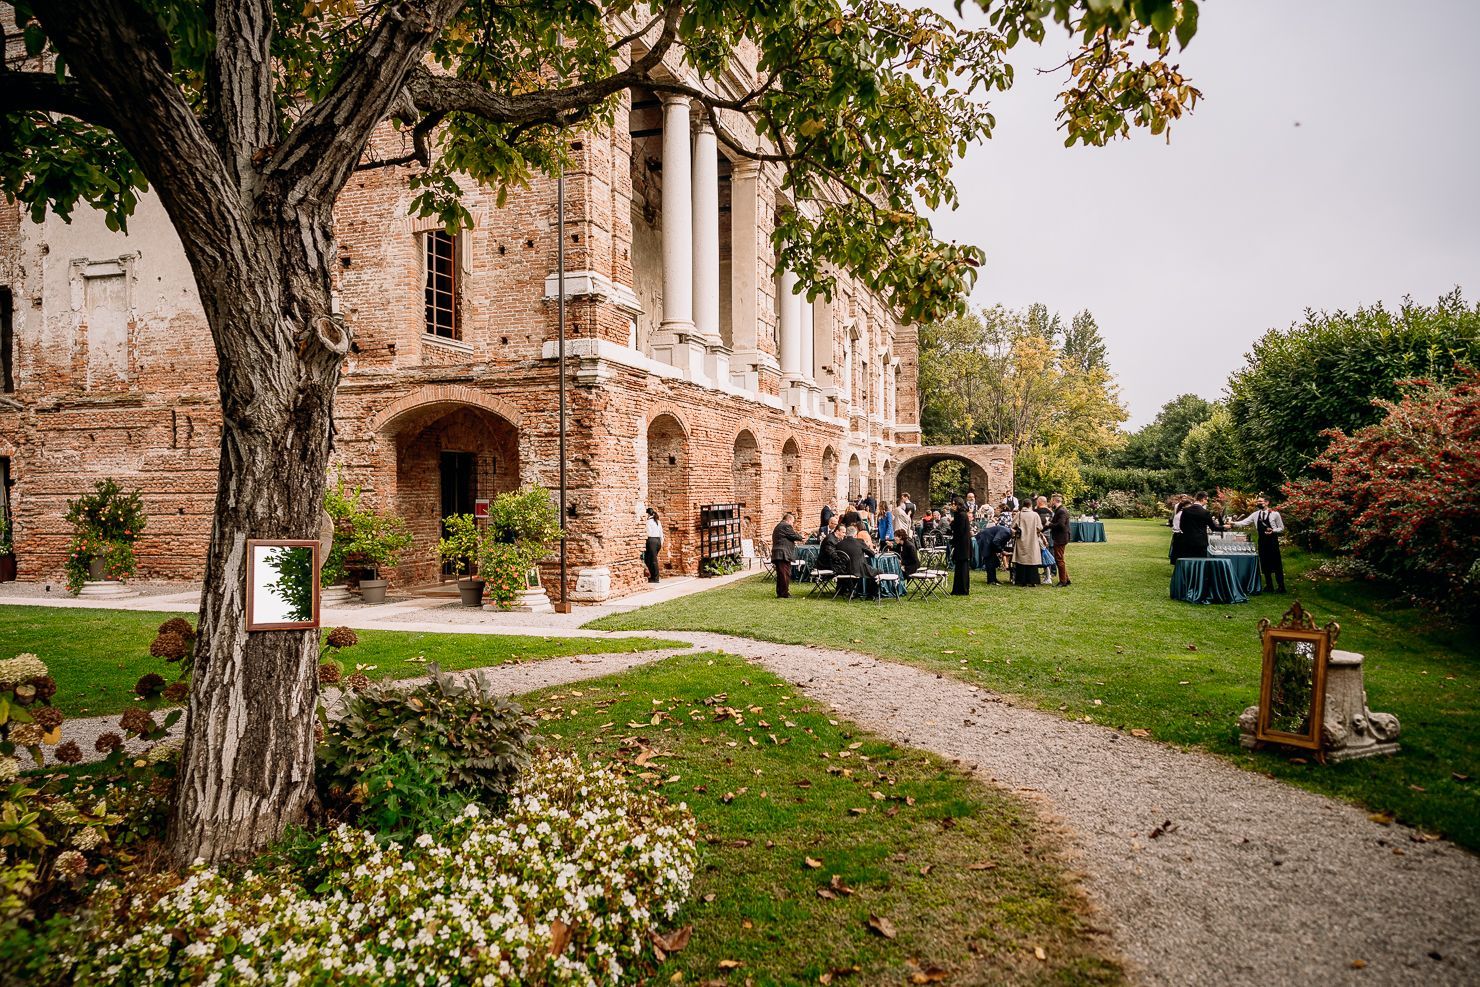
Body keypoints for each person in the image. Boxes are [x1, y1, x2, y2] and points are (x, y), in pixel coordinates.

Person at [1232, 495, 1287, 593]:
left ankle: (1281, 587)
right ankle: (1269, 586)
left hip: (1272, 542)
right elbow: (1244, 522)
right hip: (1262, 541)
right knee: (1264, 563)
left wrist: (1273, 530)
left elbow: (1281, 528)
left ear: (1267, 503)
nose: (1258, 503)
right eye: (1258, 502)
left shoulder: (1275, 514)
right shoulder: (1255, 514)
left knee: (1276, 564)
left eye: (1260, 502)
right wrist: (1233, 523)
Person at [834, 523, 878, 597]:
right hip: (857, 570)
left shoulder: (839, 544)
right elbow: (872, 554)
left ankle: (853, 591)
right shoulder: (859, 541)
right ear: (855, 534)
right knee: (877, 571)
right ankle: (873, 593)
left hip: (843, 570)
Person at [1177, 492, 1224, 559]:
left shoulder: (1186, 511)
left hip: (1187, 541)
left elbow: (1181, 526)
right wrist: (1224, 527)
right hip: (1201, 542)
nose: (1207, 502)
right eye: (1206, 500)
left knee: (1188, 562)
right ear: (1202, 499)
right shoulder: (1205, 512)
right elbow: (1214, 527)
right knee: (1200, 562)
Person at [771, 511, 805, 598]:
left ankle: (781, 592)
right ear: (789, 520)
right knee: (785, 574)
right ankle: (784, 593)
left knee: (782, 574)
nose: (792, 525)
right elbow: (793, 535)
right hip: (782, 554)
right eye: (792, 522)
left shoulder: (779, 526)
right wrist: (802, 537)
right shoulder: (786, 526)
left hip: (779, 553)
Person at [1011, 502, 1045, 586]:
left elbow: (1012, 526)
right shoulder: (1035, 515)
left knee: (1021, 561)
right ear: (1030, 505)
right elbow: (1040, 527)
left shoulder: (1019, 514)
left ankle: (1021, 581)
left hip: (1021, 541)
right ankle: (1032, 580)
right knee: (1032, 560)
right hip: (1032, 540)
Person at [976, 520, 1012, 584]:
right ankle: (991, 580)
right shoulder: (1007, 532)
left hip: (987, 540)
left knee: (992, 560)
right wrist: (1002, 551)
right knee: (989, 561)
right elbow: (996, 541)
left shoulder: (1007, 531)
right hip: (985, 540)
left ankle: (994, 579)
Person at [950, 496, 972, 595]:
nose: (952, 506)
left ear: (958, 504)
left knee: (963, 567)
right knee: (959, 567)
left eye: (954, 504)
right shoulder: (959, 514)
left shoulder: (962, 515)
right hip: (960, 543)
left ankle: (962, 589)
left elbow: (960, 531)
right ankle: (958, 589)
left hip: (962, 544)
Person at [1048, 493, 1071, 587]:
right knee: (1060, 558)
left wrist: (1049, 524)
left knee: (1059, 559)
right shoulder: (1059, 510)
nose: (1051, 502)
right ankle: (1066, 579)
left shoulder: (1061, 511)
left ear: (1055, 501)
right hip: (1060, 537)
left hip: (1060, 538)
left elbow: (1060, 524)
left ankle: (1063, 581)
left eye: (1052, 500)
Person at [643, 508, 663, 583]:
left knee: (652, 560)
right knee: (649, 559)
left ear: (647, 514)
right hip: (658, 541)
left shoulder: (648, 522)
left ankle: (655, 578)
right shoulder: (658, 521)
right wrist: (661, 543)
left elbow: (648, 533)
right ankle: (653, 576)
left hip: (651, 541)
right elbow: (661, 534)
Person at [1169, 498, 1190, 564]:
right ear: (1184, 506)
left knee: (1177, 552)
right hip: (1180, 534)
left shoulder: (1179, 513)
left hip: (1177, 534)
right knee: (1179, 552)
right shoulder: (1182, 514)